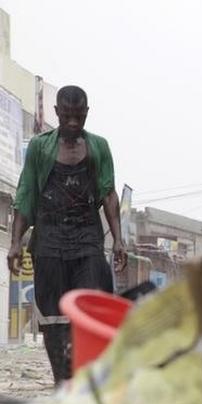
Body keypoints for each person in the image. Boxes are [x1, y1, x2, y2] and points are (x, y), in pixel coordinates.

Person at [6, 85, 127, 384]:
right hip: (48, 240)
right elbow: (26, 194)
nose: (73, 124)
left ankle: (90, 380)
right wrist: (15, 244)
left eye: (79, 117)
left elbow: (109, 195)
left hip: (87, 238)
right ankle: (63, 380)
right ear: (58, 113)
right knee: (53, 316)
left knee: (93, 305)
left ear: (86, 113)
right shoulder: (39, 148)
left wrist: (119, 240)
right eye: (67, 117)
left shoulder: (99, 147)